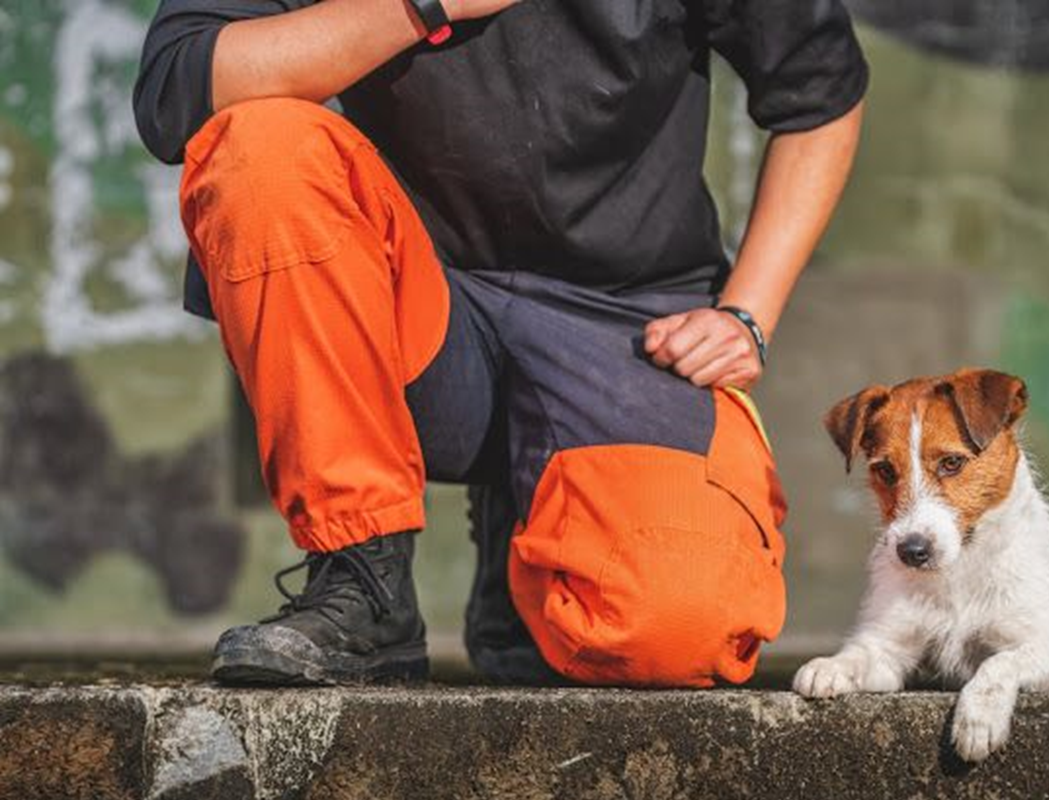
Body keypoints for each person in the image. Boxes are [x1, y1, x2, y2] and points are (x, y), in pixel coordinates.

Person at [134, 0, 868, 687]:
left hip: (628, 326)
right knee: (258, 151)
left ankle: (527, 542)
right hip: (414, 312)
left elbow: (820, 95)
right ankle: (363, 583)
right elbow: (184, 85)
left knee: (679, 627)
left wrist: (747, 313)